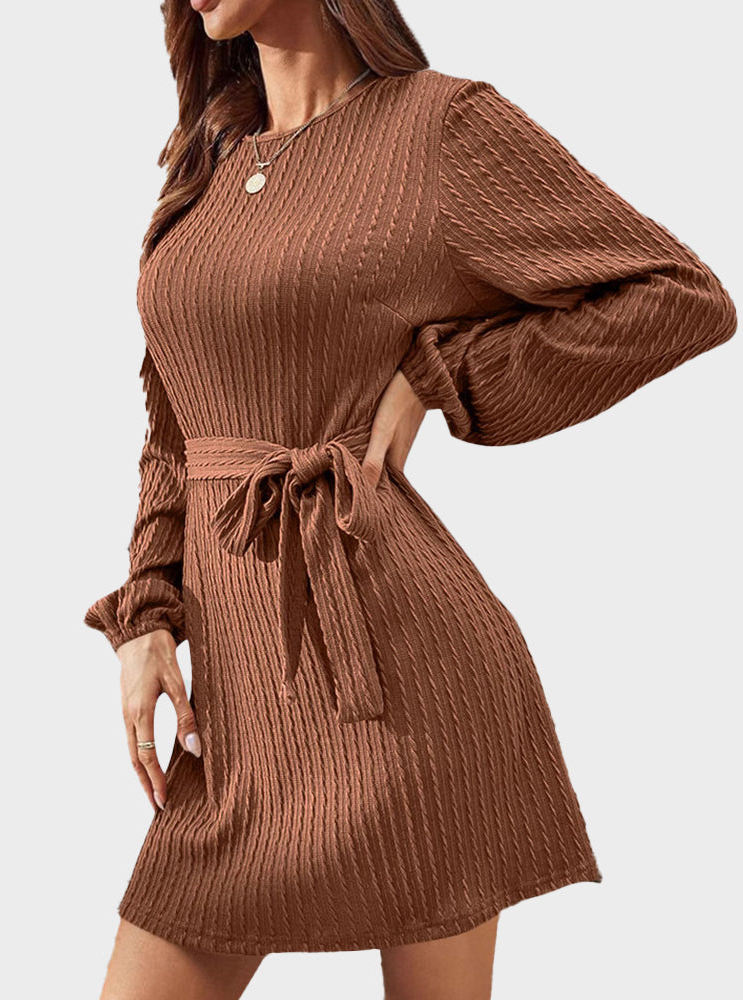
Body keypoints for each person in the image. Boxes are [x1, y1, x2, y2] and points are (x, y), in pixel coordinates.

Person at [84, 1, 737, 997]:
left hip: (404, 684)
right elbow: (176, 427)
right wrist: (147, 613)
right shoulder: (215, 153)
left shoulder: (439, 127)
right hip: (241, 710)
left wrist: (442, 376)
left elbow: (677, 297)